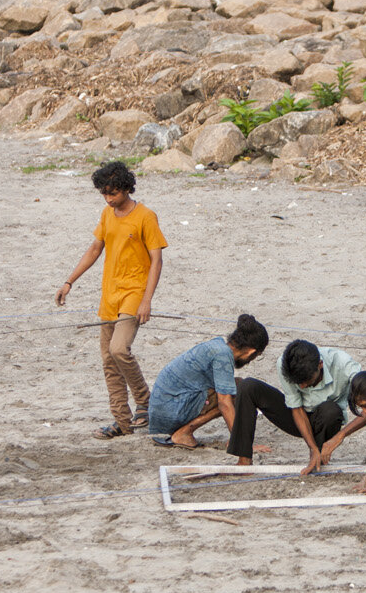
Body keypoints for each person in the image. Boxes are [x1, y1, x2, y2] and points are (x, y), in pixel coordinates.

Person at [56, 161, 168, 440]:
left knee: (119, 349)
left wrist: (147, 300)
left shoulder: (145, 216)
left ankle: (145, 400)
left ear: (127, 188)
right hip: (110, 295)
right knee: (108, 360)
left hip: (134, 293)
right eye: (104, 194)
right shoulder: (107, 214)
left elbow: (157, 260)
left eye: (113, 193)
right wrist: (69, 281)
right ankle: (122, 421)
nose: (109, 199)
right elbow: (95, 248)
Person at [223, 338, 359, 471]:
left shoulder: (343, 364)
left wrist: (339, 436)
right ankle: (244, 460)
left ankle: (318, 457)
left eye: (307, 381)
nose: (302, 386)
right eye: (298, 382)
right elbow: (296, 408)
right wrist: (311, 446)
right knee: (248, 386)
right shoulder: (285, 364)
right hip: (297, 417)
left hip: (326, 420)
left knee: (331, 410)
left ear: (320, 364)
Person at [145, 315, 269, 449]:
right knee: (239, 392)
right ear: (251, 351)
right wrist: (242, 445)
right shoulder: (223, 356)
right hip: (169, 413)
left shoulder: (218, 345)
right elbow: (225, 403)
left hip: (162, 410)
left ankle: (231, 438)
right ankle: (184, 434)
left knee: (239, 384)